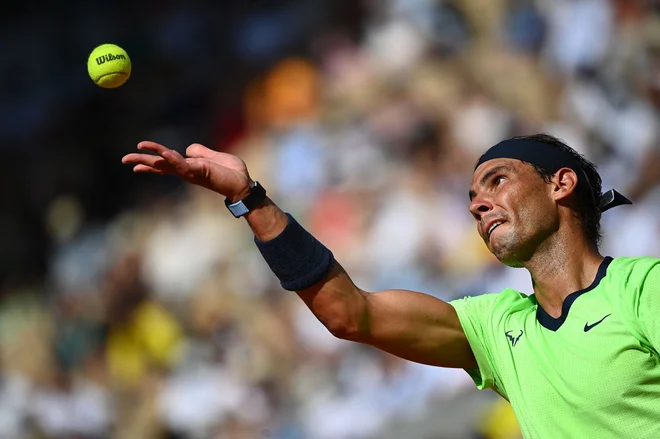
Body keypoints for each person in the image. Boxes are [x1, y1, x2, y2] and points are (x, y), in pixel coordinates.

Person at [122, 133, 660, 438]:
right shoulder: (500, 328)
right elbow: (348, 315)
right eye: (471, 195)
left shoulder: (642, 289)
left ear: (560, 184)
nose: (477, 203)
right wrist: (249, 198)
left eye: (497, 180)